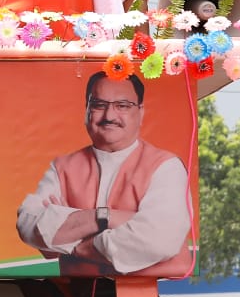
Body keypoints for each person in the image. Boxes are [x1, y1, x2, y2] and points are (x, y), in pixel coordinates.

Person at [16, 72, 192, 277]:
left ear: (141, 112)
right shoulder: (63, 167)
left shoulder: (165, 166)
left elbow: (158, 240)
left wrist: (75, 239)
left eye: (123, 105)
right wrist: (106, 218)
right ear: (87, 110)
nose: (109, 116)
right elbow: (29, 225)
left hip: (139, 294)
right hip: (74, 294)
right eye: (99, 105)